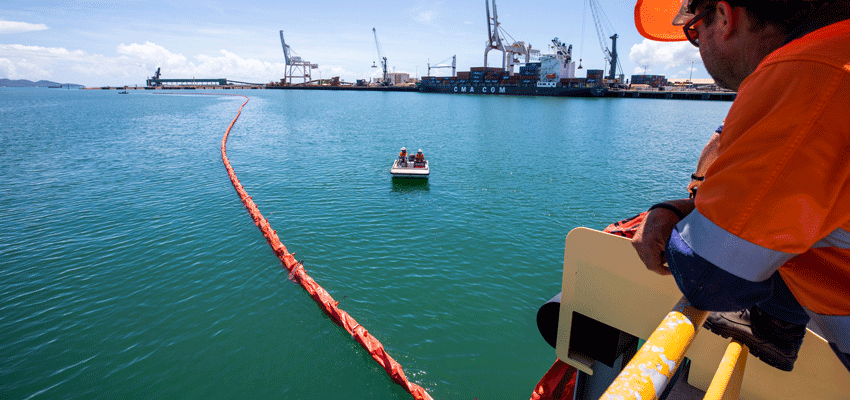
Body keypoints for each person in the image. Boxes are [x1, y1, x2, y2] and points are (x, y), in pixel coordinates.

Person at [632, 0, 850, 372]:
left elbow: (709, 276)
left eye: (693, 31)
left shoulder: (809, 71)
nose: (696, 47)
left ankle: (775, 325)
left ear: (724, 16)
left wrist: (670, 214)